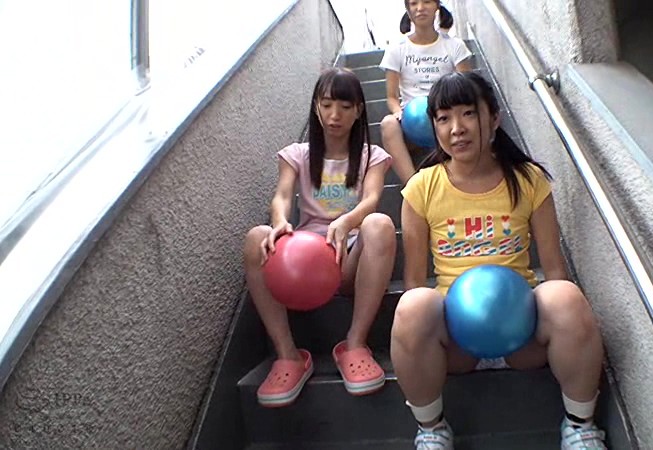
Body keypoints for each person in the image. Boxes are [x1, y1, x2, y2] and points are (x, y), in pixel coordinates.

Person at [391, 72, 607, 449]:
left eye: (468, 113)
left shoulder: (528, 180)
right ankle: (432, 429)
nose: (456, 128)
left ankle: (580, 426)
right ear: (434, 127)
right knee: (412, 305)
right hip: (457, 341)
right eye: (443, 118)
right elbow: (413, 281)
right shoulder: (421, 188)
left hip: (521, 334)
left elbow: (554, 269)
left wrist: (561, 316)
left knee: (565, 295)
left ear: (493, 118)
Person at [243, 68, 396, 408]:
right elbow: (282, 195)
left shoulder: (372, 156)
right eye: (326, 105)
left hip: (350, 259)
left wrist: (346, 221)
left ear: (358, 110)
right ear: (316, 107)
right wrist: (280, 222)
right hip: (304, 263)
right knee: (256, 237)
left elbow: (372, 199)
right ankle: (288, 356)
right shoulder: (297, 154)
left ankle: (355, 344)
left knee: (380, 224)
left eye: (344, 106)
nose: (334, 114)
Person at [380, 0, 472, 185]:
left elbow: (468, 89)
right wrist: (398, 112)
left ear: (437, 5)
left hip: (447, 116)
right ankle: (414, 187)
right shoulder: (396, 49)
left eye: (427, 2)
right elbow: (391, 97)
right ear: (408, 9)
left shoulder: (455, 45)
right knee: (388, 124)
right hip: (412, 121)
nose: (420, 8)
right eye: (414, 3)